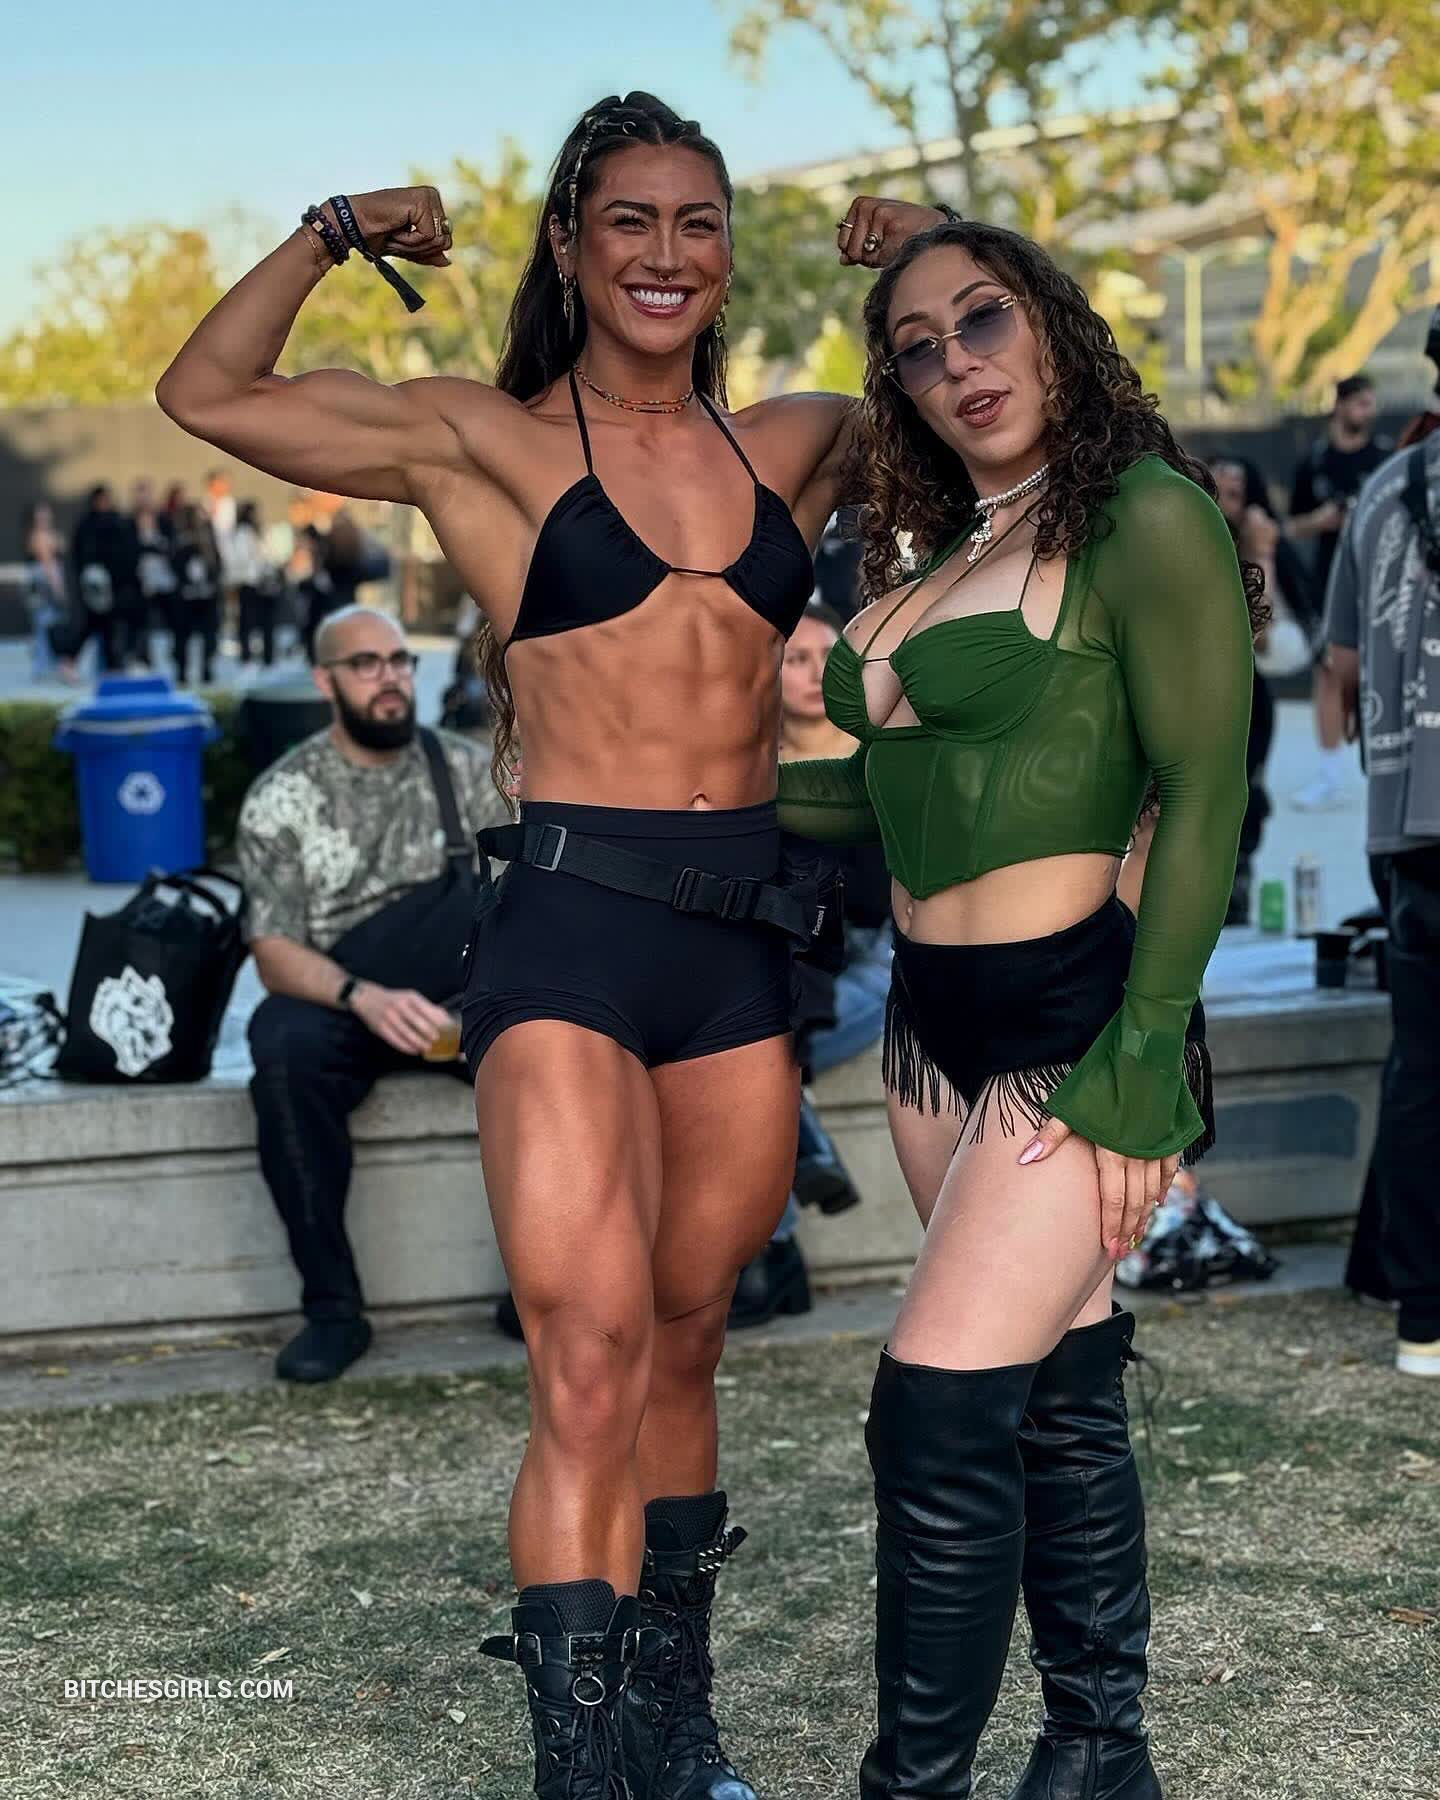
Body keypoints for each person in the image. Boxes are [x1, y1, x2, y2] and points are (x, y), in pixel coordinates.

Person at [156, 89, 945, 1800]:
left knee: (687, 1340)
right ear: (574, 250)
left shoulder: (799, 441)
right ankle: (579, 1765)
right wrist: (333, 231)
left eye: (697, 222)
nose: (667, 253)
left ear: (729, 254)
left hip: (740, 955)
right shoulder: (483, 441)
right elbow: (205, 395)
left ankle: (674, 1722)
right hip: (571, 937)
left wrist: (938, 259)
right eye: (629, 222)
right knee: (586, 1356)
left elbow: (1027, 420)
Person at [778, 215, 1258, 1797]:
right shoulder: (944, 551)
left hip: (1074, 1020)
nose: (955, 365)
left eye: (983, 319)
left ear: (1053, 321)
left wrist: (1146, 1058)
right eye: (917, 349)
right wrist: (714, 773)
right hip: (932, 1024)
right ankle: (1099, 1756)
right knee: (1052, 1396)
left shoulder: (1145, 518)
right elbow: (882, 810)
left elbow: (1204, 790)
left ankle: (915, 1786)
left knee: (932, 1414)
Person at [234, 606, 507, 1383]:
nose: (389, 679)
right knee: (280, 1046)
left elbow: (522, 903)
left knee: (557, 1038)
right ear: (325, 682)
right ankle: (333, 1310)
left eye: (398, 661)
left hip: (466, 995)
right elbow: (273, 950)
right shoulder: (282, 796)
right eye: (365, 664)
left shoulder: (465, 771)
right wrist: (364, 998)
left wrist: (476, 1007)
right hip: (348, 1002)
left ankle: (545, 1287)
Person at [1326, 355, 1440, 1380]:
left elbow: (1344, 671)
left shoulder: (1380, 493)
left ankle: (1422, 1321)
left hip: (1407, 823)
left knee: (1421, 1068)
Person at [731, 599, 892, 1327]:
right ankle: (781, 1240)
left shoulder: (881, 754)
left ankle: (771, 1254)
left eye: (830, 658)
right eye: (795, 658)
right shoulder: (745, 767)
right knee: (752, 1045)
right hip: (784, 970)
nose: (814, 673)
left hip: (879, 959)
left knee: (753, 1048)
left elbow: (877, 897)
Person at [1288, 373, 1391, 811]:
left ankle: (1390, 772)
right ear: (1341, 406)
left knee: (1387, 673)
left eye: (1371, 403)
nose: (1368, 412)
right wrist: (1322, 520)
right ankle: (1329, 776)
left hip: (1380, 582)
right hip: (1329, 584)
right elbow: (1291, 525)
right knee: (1328, 673)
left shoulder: (1386, 459)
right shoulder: (1314, 462)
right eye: (1361, 403)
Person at [71, 484, 140, 672]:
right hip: (95, 587)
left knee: (110, 627)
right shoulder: (86, 525)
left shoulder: (118, 522)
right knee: (92, 625)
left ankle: (111, 666)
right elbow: (80, 555)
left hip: (116, 586)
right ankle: (71, 660)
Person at [166, 500, 223, 685]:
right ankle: (186, 674)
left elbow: (216, 566)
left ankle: (202, 673)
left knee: (204, 636)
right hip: (188, 597)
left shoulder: (206, 541)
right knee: (186, 637)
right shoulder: (180, 541)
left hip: (203, 597)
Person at [20, 502, 75, 682]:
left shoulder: (51, 535)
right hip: (46, 585)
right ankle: (44, 667)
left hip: (46, 583)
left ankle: (46, 665)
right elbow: (48, 564)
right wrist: (58, 589)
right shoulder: (39, 537)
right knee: (46, 625)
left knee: (45, 625)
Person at [231, 500, 281, 667]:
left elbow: (269, 555)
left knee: (266, 622)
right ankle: (246, 656)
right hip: (249, 583)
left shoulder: (260, 532)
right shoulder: (241, 534)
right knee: (247, 622)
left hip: (263, 583)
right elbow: (242, 559)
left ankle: (268, 656)